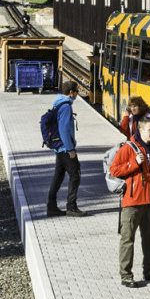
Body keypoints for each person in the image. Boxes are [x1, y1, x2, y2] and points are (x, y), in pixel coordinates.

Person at [109, 116, 150, 287]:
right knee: (128, 238)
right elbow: (114, 170)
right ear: (140, 130)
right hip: (132, 201)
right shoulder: (129, 148)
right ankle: (126, 275)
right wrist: (133, 163)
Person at [46, 80, 86, 217]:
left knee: (58, 176)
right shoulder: (65, 107)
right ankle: (71, 207)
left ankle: (51, 207)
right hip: (65, 148)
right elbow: (63, 130)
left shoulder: (59, 103)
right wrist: (70, 149)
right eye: (76, 91)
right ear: (71, 92)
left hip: (60, 148)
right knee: (75, 175)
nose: (77, 94)